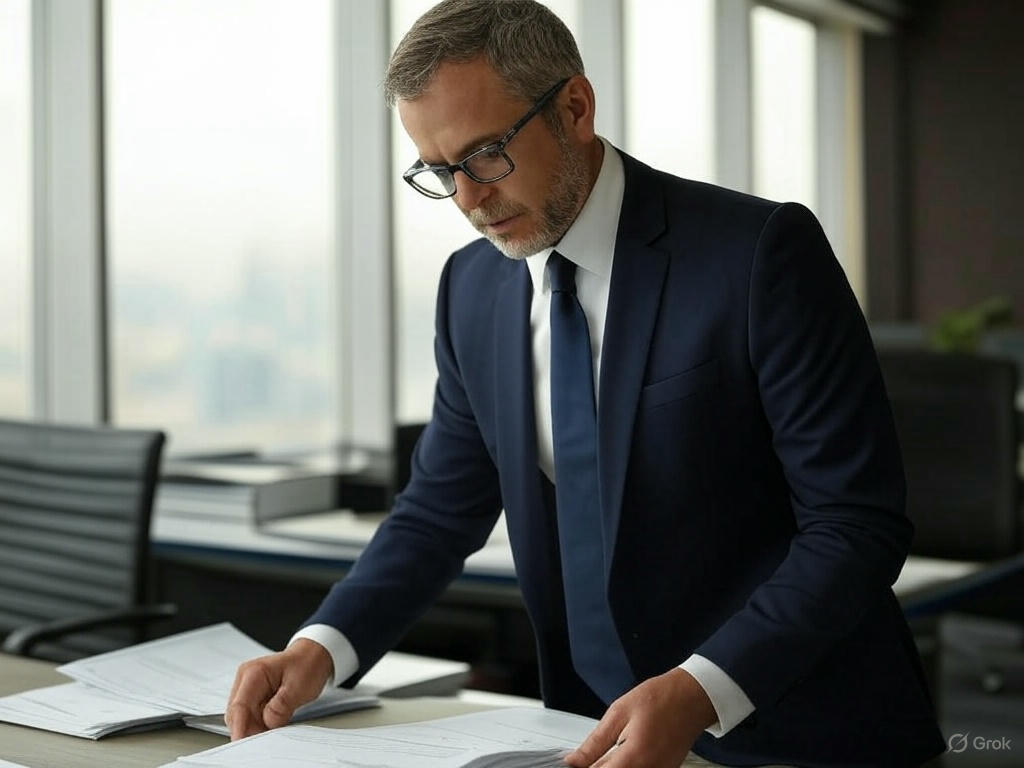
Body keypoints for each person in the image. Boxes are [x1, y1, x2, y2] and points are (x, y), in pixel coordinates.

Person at [227, 1, 946, 765]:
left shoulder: (757, 255)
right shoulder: (471, 288)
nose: (468, 200)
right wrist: (319, 648)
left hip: (799, 733)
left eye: (485, 156)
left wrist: (702, 689)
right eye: (439, 172)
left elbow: (854, 524)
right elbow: (439, 510)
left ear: (574, 107)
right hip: (582, 736)